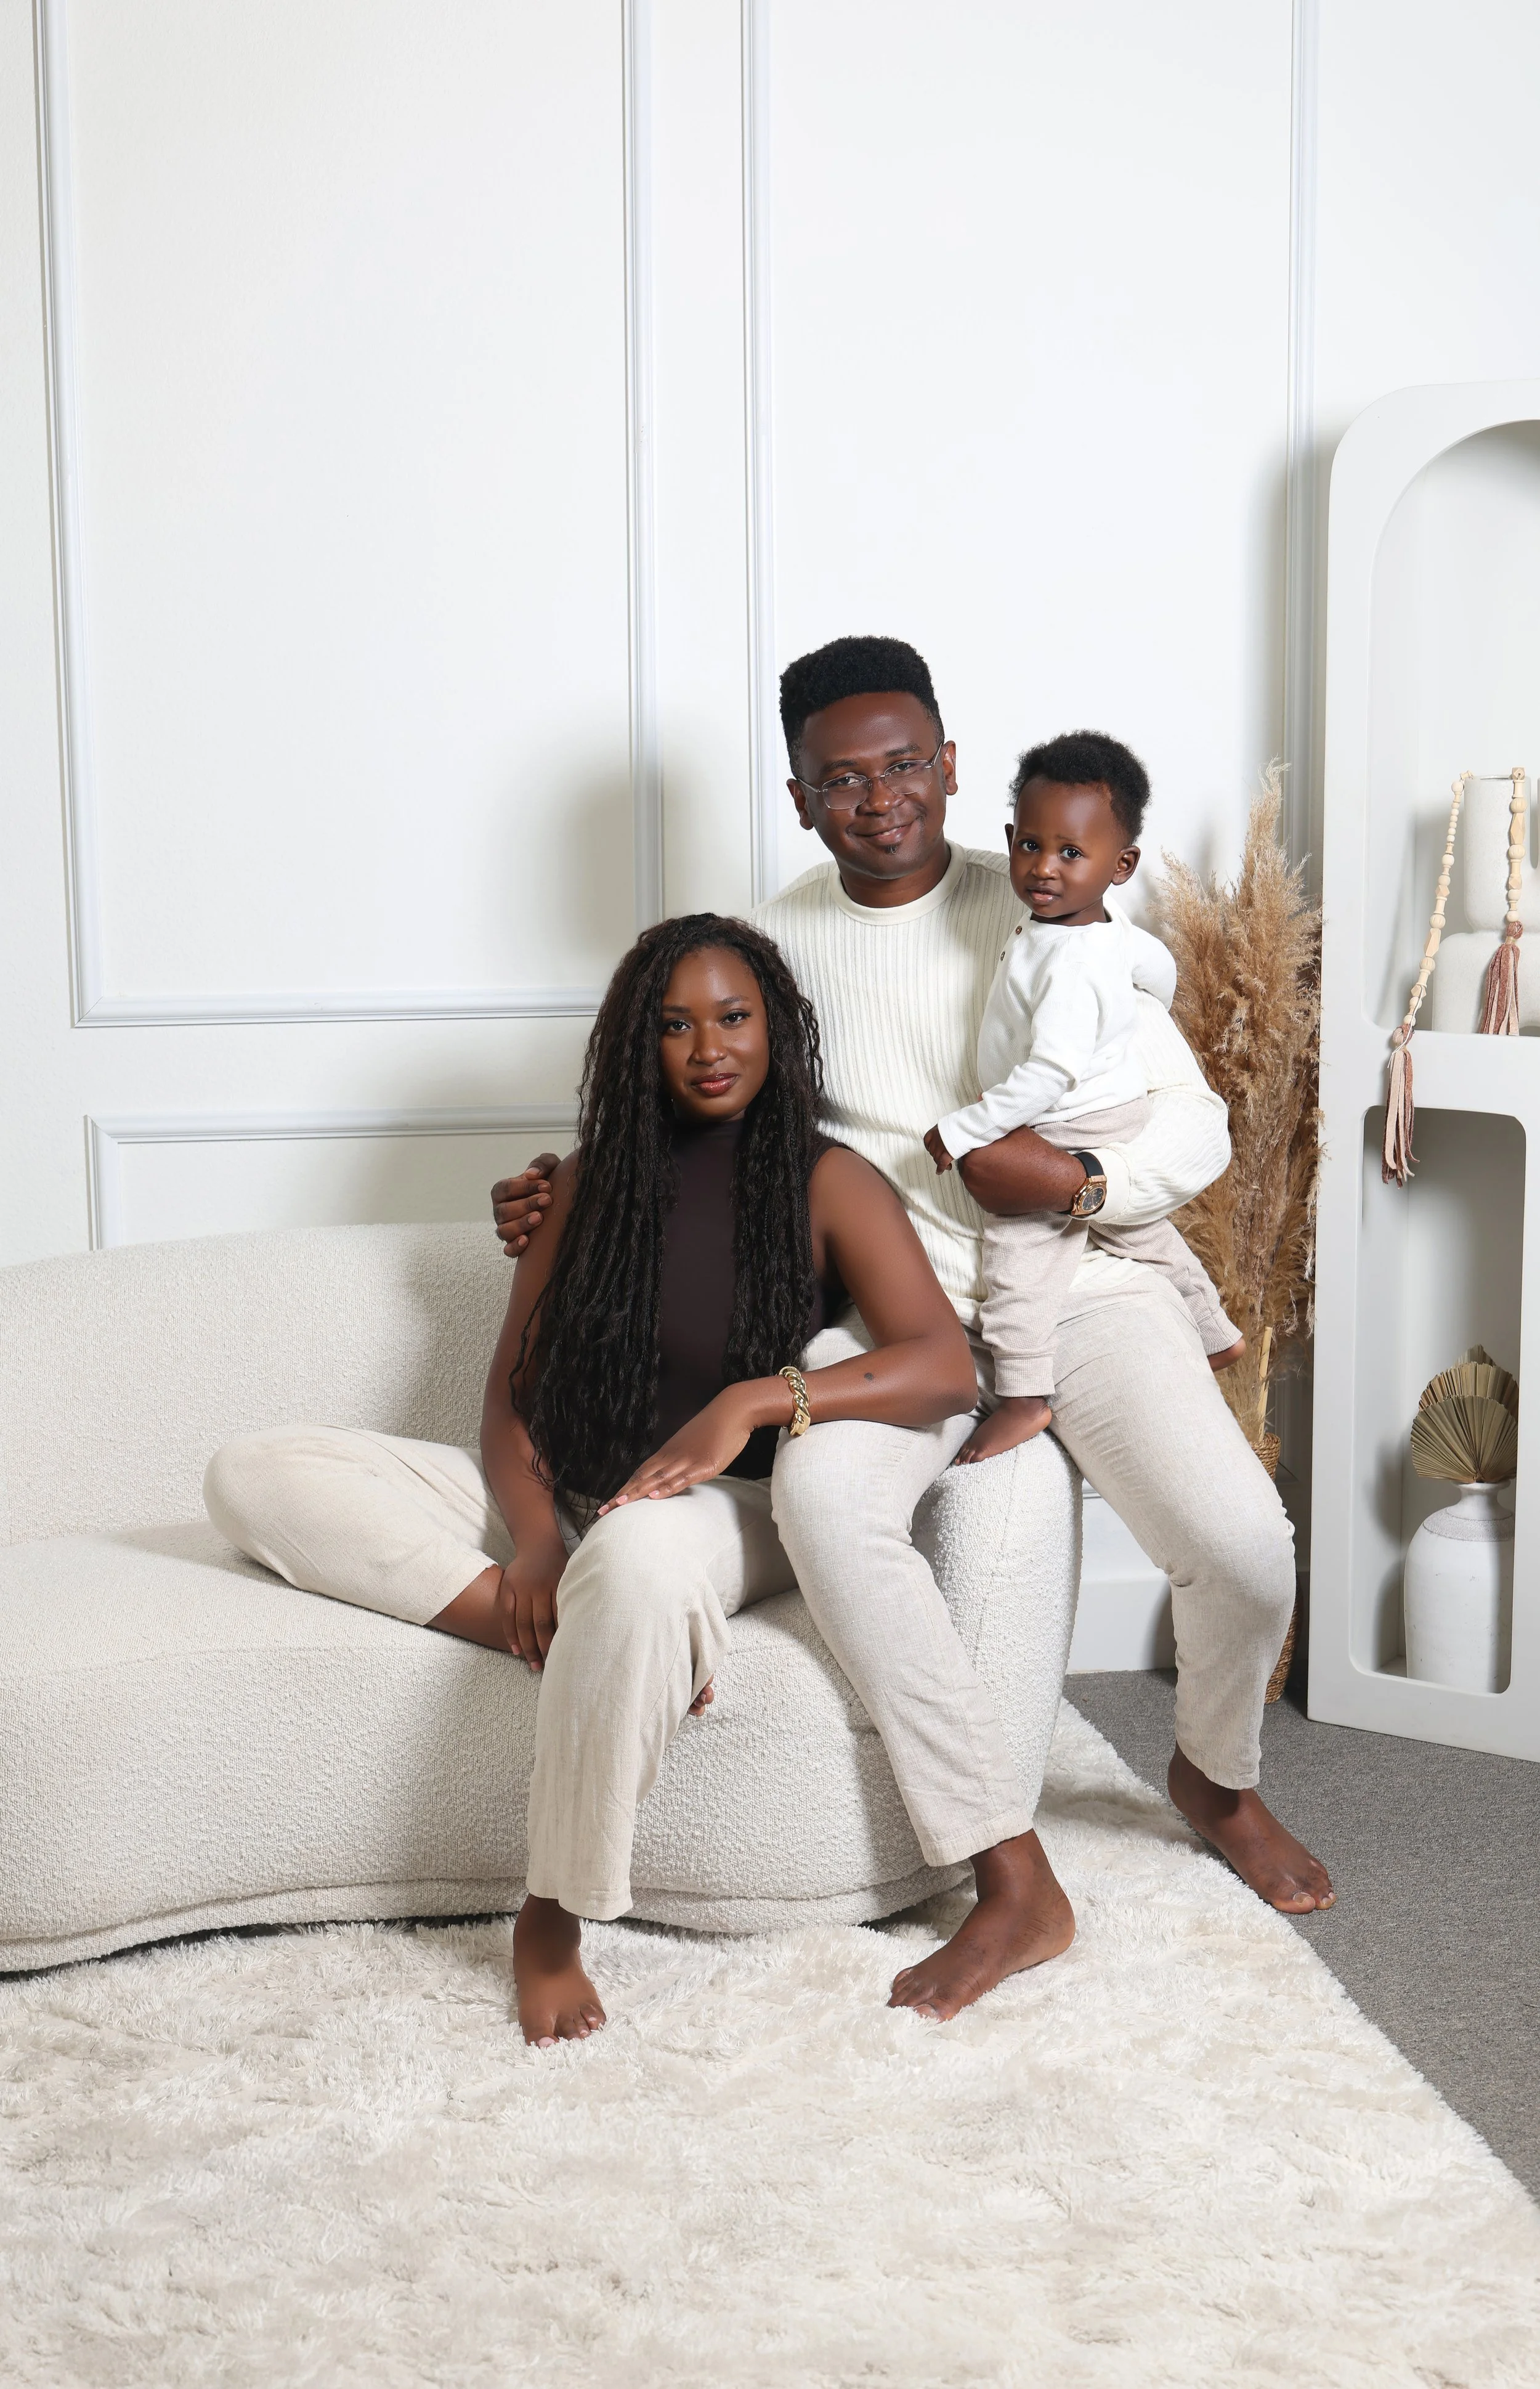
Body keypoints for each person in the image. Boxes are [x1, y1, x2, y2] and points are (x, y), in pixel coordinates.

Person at [495, 635, 1335, 1921]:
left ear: (948, 765)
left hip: (1079, 1287)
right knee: (824, 1504)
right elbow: (694, 1108)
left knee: (1248, 1551)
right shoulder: (775, 945)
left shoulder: (1052, 905)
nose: (878, 799)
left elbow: (1194, 1125)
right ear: (799, 799)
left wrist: (1078, 1185)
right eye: (840, 779)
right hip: (896, 1315)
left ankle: (1215, 1777)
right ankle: (996, 1858)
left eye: (901, 765)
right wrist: (567, 1189)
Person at [206, 913, 1063, 2046]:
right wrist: (535, 1543)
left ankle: (550, 1918)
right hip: (567, 1500)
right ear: (636, 1043)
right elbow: (513, 1399)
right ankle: (595, 1627)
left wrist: (752, 1400)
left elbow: (943, 1364)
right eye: (675, 1024)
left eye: (734, 1016)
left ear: (776, 1026)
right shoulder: (579, 1185)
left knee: (640, 1561)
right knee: (256, 1472)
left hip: (718, 1508)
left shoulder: (827, 1179)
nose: (709, 1047)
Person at [925, 730, 1242, 1466]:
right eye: (1030, 846)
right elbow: (1155, 965)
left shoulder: (1073, 962)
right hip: (1111, 1108)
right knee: (1143, 1234)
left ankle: (1024, 1394)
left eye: (1071, 853)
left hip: (1067, 1120)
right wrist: (1132, 1007)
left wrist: (966, 1128)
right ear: (1010, 837)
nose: (1044, 868)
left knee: (1016, 1257)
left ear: (1120, 865)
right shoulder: (1097, 927)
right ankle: (1215, 1330)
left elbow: (1048, 1072)